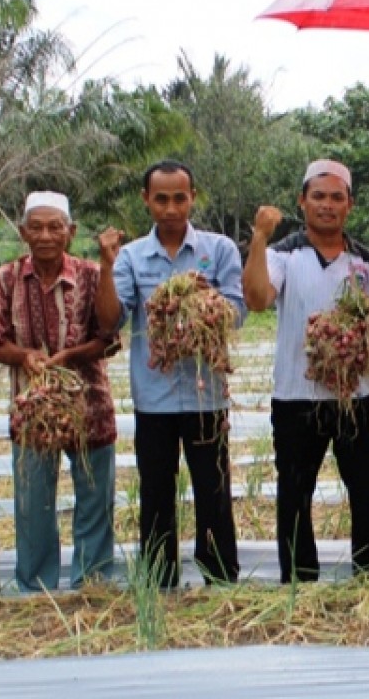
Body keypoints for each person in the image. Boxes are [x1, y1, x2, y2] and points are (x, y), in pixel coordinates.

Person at [242, 160, 369, 583]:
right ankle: (299, 577)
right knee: (294, 492)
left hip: (359, 395)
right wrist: (258, 237)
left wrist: (356, 346)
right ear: (302, 202)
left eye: (336, 198)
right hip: (297, 396)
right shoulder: (282, 255)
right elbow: (256, 298)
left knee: (368, 491)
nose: (327, 206)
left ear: (350, 205)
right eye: (318, 197)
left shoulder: (368, 261)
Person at [0, 191, 124, 592]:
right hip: (34, 412)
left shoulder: (92, 274)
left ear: (70, 231)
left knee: (95, 498)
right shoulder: (6, 278)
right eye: (37, 227)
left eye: (55, 227)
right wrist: (25, 356)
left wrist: (67, 357)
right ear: (24, 232)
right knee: (33, 505)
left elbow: (108, 338)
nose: (46, 235)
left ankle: (92, 580)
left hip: (89, 407)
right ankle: (35, 585)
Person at [111, 160, 243, 588]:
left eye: (179, 198)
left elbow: (238, 312)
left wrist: (205, 307)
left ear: (193, 198)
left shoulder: (219, 249)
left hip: (206, 395)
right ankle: (158, 577)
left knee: (214, 489)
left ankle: (220, 574)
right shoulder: (131, 256)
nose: (171, 208)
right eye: (161, 198)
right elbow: (114, 318)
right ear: (146, 200)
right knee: (156, 491)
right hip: (154, 395)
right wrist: (104, 263)